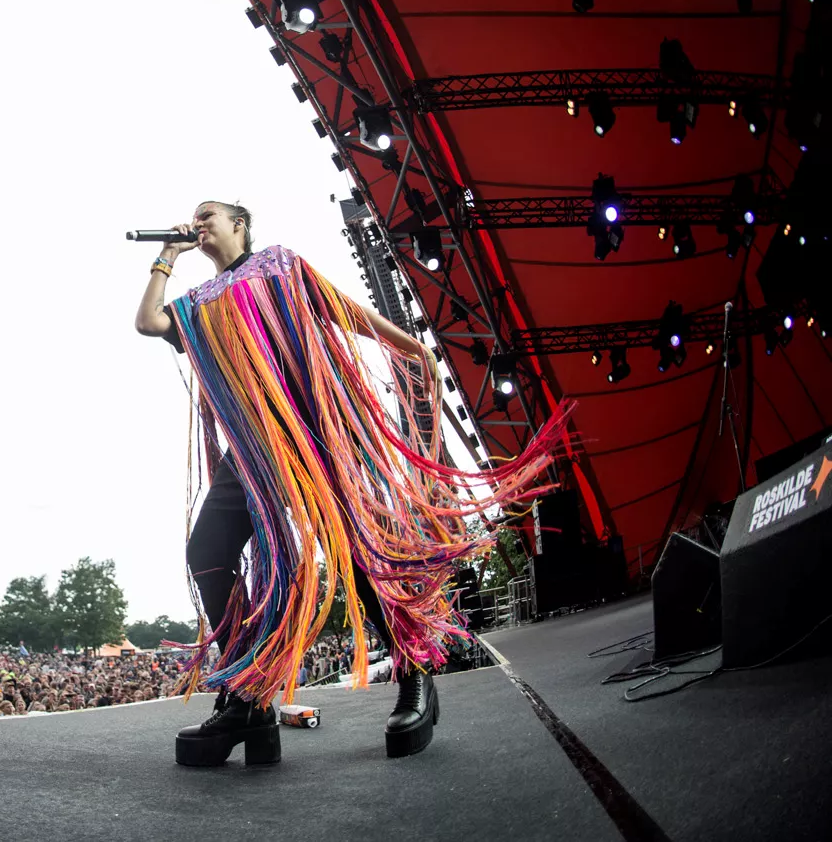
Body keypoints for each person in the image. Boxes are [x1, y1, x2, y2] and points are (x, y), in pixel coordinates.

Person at [135, 201, 571, 766]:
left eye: (209, 213)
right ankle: (249, 694)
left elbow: (343, 311)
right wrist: (167, 255)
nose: (198, 222)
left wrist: (408, 345)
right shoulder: (196, 303)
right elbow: (149, 322)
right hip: (249, 453)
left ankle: (414, 674)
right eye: (194, 217)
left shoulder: (277, 263)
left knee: (356, 555)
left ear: (240, 224)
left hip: (309, 432)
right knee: (207, 553)